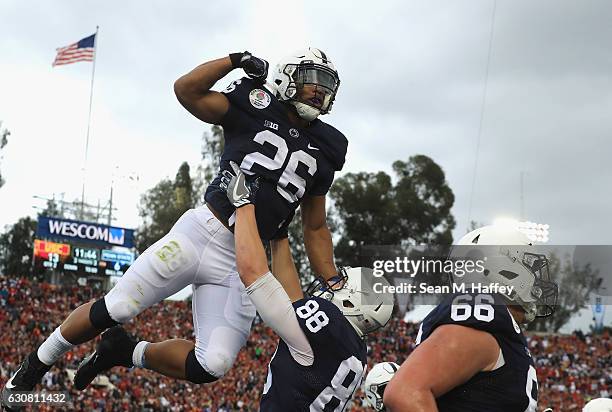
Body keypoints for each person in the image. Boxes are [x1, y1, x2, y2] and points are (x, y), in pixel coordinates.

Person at [1, 47, 347, 411]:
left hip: (247, 260)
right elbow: (187, 91)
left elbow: (315, 225)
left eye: (327, 86)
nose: (320, 92)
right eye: (313, 81)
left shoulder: (328, 147)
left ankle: (123, 350)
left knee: (212, 364)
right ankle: (31, 367)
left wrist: (334, 281)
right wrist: (234, 60)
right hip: (203, 232)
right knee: (118, 306)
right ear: (287, 76)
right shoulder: (256, 101)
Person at [220, 162, 394, 411]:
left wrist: (243, 204)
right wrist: (280, 235)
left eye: (342, 283)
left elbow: (253, 274)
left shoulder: (328, 329)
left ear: (351, 302)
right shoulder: (352, 348)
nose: (333, 281)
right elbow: (292, 303)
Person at [366, 224, 559, 412]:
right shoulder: (480, 320)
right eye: (529, 266)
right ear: (501, 267)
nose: (537, 279)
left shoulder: (499, 330)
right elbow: (405, 393)